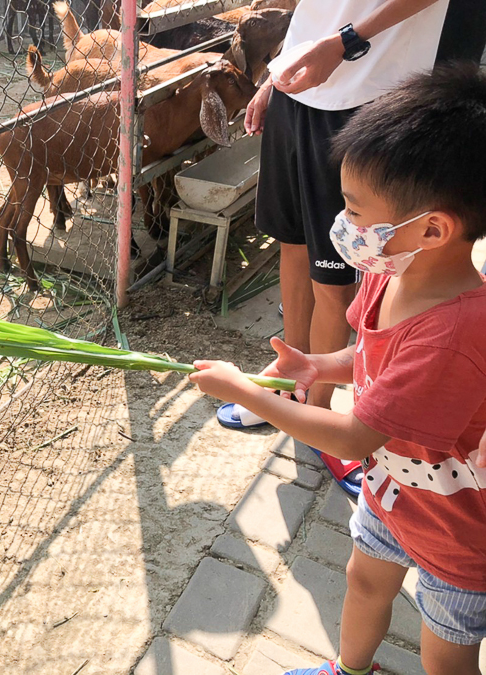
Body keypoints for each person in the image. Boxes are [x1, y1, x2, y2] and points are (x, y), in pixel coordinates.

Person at [190, 64, 486, 675]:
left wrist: (248, 391)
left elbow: (354, 436)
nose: (345, 224)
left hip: (461, 534)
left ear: (432, 229)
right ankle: (352, 671)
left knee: (445, 654)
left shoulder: (455, 333)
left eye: (355, 210)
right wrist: (318, 363)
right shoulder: (390, 271)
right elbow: (373, 356)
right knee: (363, 581)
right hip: (393, 493)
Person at [219, 0, 463, 498]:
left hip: (369, 96)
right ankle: (287, 385)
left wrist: (347, 41)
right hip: (300, 88)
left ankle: (319, 417)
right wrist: (275, 78)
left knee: (333, 274)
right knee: (290, 243)